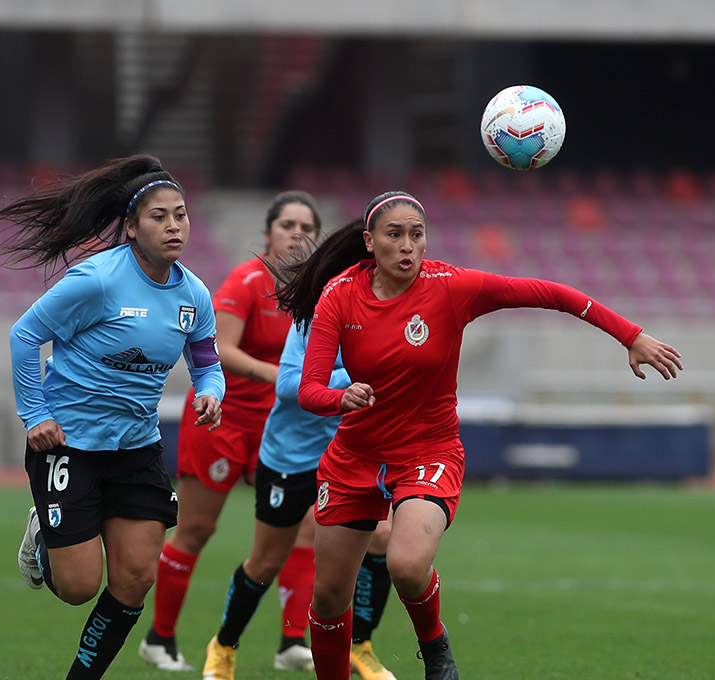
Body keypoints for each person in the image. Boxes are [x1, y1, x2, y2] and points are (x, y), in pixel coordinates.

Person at [273, 191, 684, 680]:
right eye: (395, 234)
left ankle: (436, 649)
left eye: (417, 235)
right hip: (354, 454)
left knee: (405, 564)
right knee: (329, 597)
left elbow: (549, 294)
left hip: (428, 449)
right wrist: (340, 399)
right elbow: (309, 389)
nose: (408, 246)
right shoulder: (340, 294)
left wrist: (630, 335)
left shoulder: (451, 286)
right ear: (369, 241)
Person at [0, 154, 225, 680]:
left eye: (180, 214)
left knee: (135, 578)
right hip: (67, 444)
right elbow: (24, 335)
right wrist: (34, 412)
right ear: (130, 227)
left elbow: (207, 363)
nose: (174, 225)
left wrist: (210, 392)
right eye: (159, 216)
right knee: (79, 586)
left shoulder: (194, 293)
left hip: (136, 448)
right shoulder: (97, 280)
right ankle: (43, 534)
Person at [140, 191, 324, 672]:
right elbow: (220, 349)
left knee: (305, 529)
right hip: (220, 418)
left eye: (307, 227)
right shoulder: (246, 281)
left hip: (278, 430)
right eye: (287, 224)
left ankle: (291, 643)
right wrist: (283, 377)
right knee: (197, 529)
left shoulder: (318, 292)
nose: (297, 234)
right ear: (268, 234)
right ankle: (159, 638)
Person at [202, 321, 398, 680]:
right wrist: (349, 385)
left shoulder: (386, 316)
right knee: (265, 563)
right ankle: (224, 646)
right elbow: (289, 385)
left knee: (382, 537)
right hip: (290, 459)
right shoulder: (313, 321)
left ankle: (360, 647)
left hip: (349, 454)